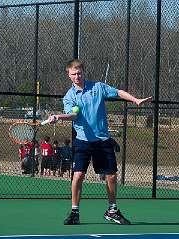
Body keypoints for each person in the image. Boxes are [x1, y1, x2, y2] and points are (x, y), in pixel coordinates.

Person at [46, 59, 152, 225]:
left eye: (79, 73)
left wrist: (135, 100)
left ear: (83, 72)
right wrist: (58, 117)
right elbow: (74, 115)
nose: (77, 76)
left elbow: (118, 92)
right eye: (73, 74)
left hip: (102, 140)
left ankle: (112, 210)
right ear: (69, 75)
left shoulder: (98, 87)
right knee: (78, 175)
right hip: (82, 141)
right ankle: (75, 212)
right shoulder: (69, 97)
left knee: (111, 176)